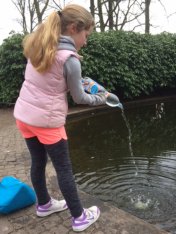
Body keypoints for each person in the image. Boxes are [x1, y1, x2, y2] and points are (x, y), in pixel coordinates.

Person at [14, 4, 107, 232]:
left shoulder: (39, 46)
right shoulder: (70, 59)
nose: (86, 41)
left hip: (24, 117)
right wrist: (102, 98)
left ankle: (44, 204)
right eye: (86, 35)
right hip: (47, 122)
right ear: (74, 28)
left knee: (38, 162)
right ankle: (79, 217)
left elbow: (48, 80)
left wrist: (77, 81)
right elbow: (81, 98)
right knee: (64, 170)